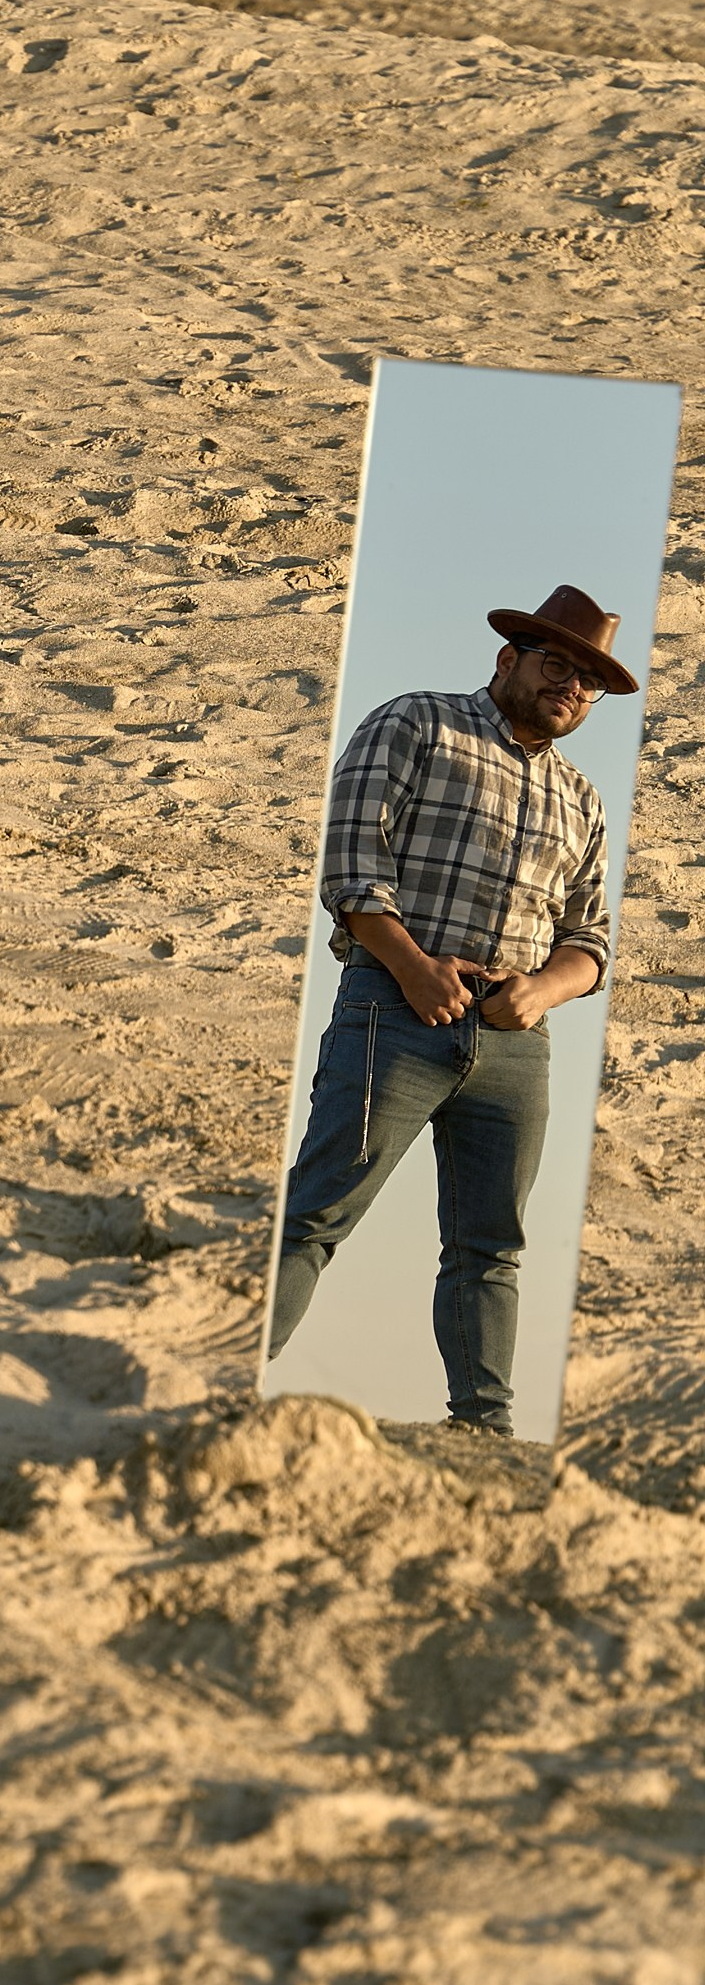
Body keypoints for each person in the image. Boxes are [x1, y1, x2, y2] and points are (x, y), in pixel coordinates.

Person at [266, 582, 632, 1438]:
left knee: (490, 1249)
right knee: (319, 1211)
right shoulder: (415, 723)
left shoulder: (583, 799)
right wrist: (416, 970)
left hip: (513, 1047)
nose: (571, 687)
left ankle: (485, 1432)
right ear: (509, 659)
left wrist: (539, 992)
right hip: (395, 1012)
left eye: (589, 682)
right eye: (558, 663)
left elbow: (592, 942)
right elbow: (350, 863)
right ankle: (230, 1373)